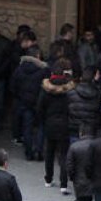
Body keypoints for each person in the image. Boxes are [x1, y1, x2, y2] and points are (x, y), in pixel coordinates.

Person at [38, 63, 76, 192]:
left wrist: (43, 121)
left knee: (49, 152)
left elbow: (40, 109)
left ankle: (48, 179)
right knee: (63, 155)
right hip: (64, 125)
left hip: (50, 124)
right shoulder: (69, 92)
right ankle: (63, 184)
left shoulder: (46, 91)